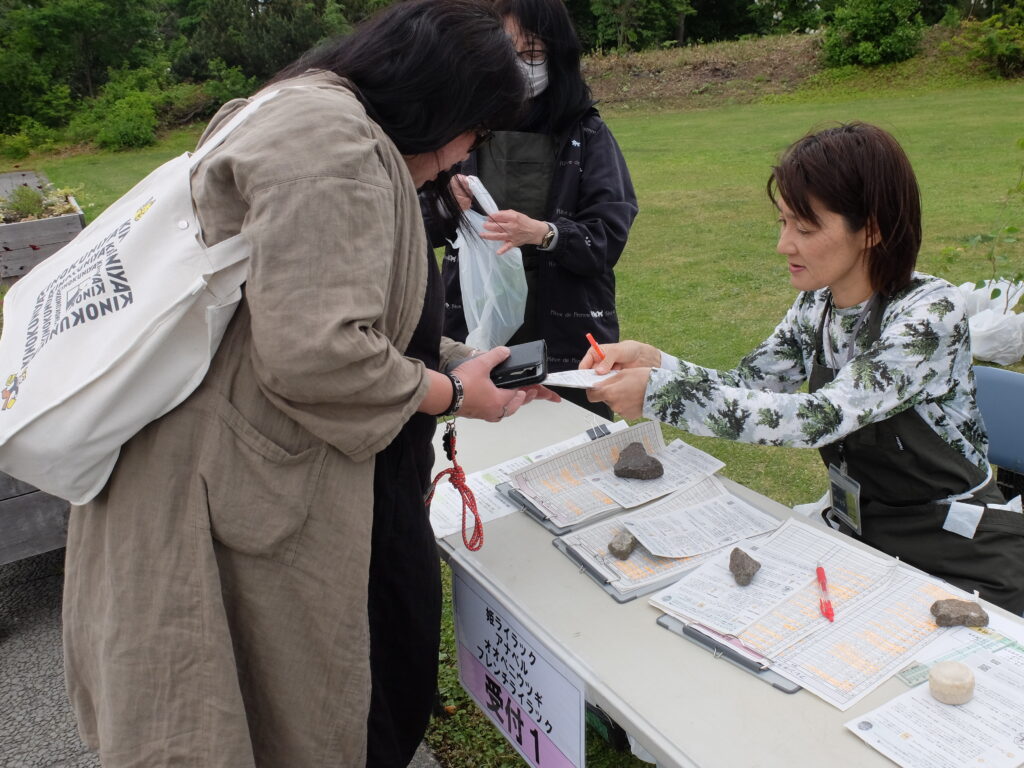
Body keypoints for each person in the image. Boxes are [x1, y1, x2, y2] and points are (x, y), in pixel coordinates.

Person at [60, 2, 558, 766]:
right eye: (474, 131)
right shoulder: (336, 143)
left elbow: (326, 312)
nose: (465, 156)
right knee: (275, 715)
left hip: (235, 470)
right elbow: (319, 354)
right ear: (440, 101)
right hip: (230, 491)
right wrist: (456, 396)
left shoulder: (305, 114)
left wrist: (455, 357)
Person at [583, 122, 1024, 613]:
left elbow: (818, 417)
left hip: (955, 547)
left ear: (872, 228)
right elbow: (748, 386)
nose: (784, 244)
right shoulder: (818, 304)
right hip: (860, 528)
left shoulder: (928, 315)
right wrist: (655, 362)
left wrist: (659, 394)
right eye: (783, 222)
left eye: (806, 227)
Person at [424, 0, 638, 417]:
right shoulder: (456, 130)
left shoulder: (587, 132)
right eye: (507, 52)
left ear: (557, 55)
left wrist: (545, 234)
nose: (519, 65)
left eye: (533, 53)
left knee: (570, 436)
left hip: (564, 323)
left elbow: (608, 234)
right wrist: (444, 203)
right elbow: (414, 226)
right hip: (473, 316)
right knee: (477, 446)